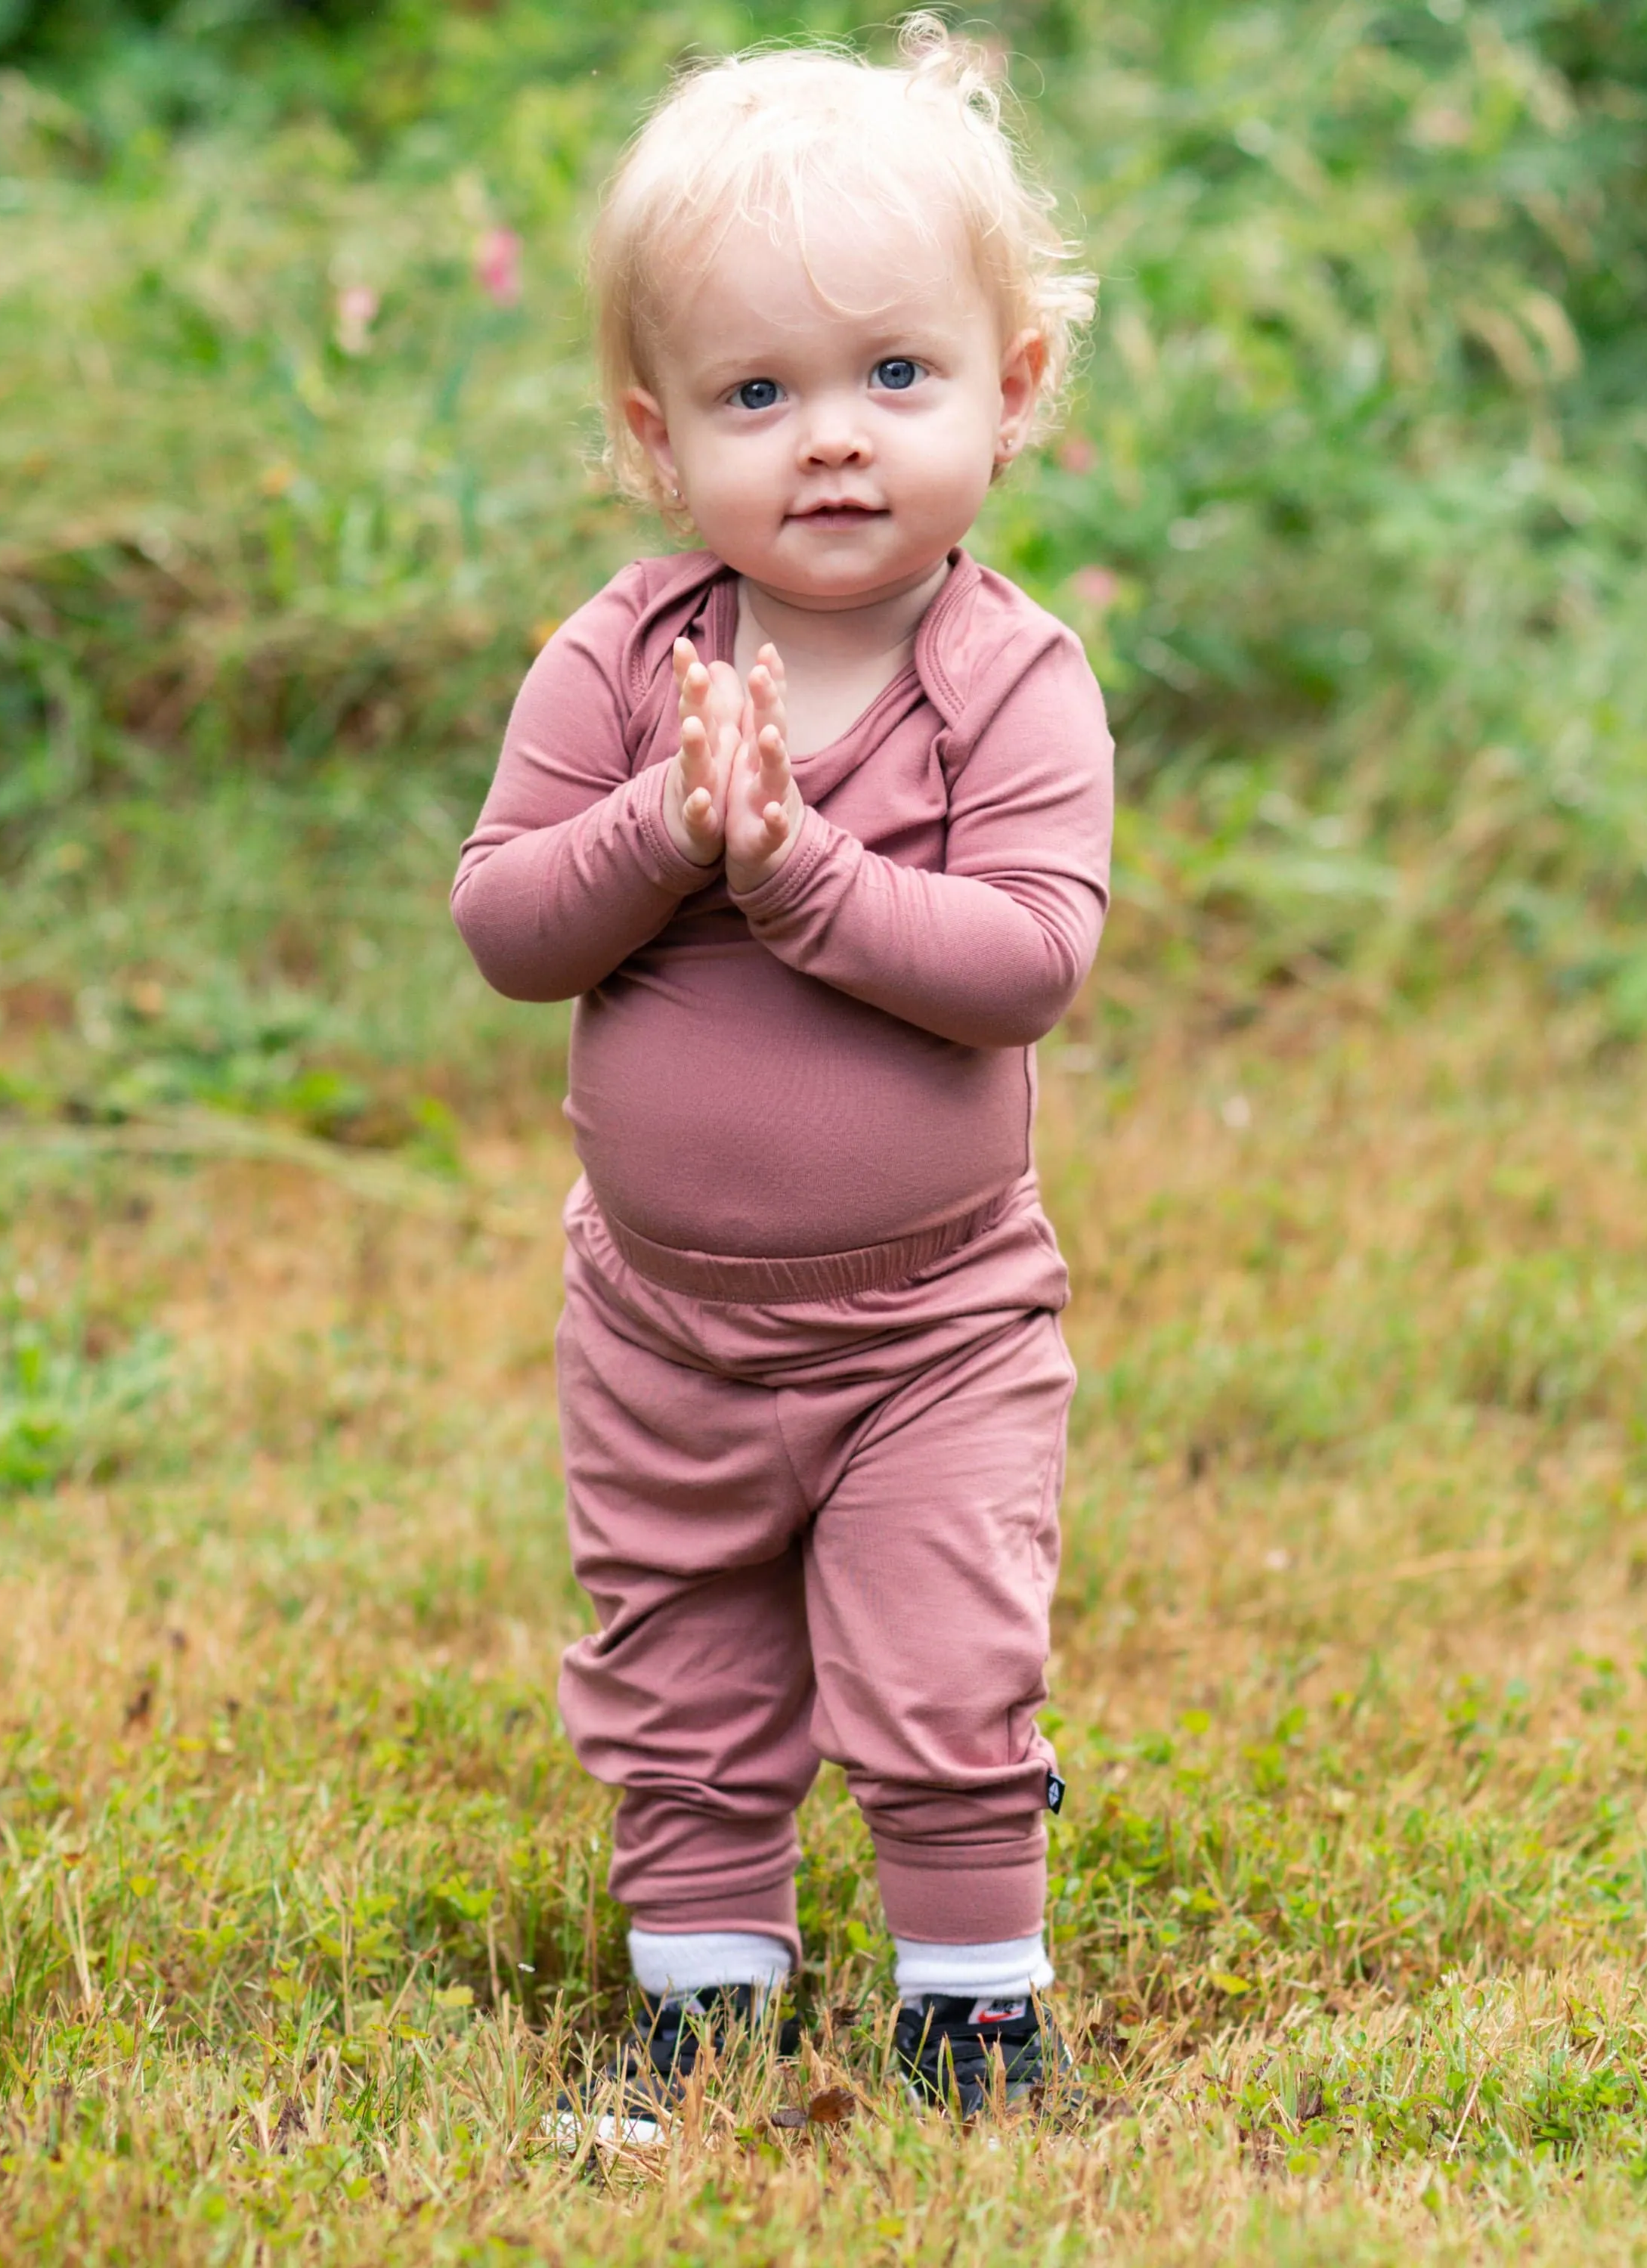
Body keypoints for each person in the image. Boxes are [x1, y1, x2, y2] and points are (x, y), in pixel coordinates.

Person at [450, 14, 1111, 2135]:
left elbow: (1026, 960)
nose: (831, 441)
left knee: (942, 1661)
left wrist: (798, 871)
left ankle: (972, 2001)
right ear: (659, 440)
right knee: (682, 1663)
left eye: (894, 378)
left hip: (933, 1323)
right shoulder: (618, 666)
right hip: (663, 1323)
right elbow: (504, 925)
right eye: (759, 394)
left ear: (1009, 394)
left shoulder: (1008, 678)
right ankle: (704, 1992)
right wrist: (663, 830)